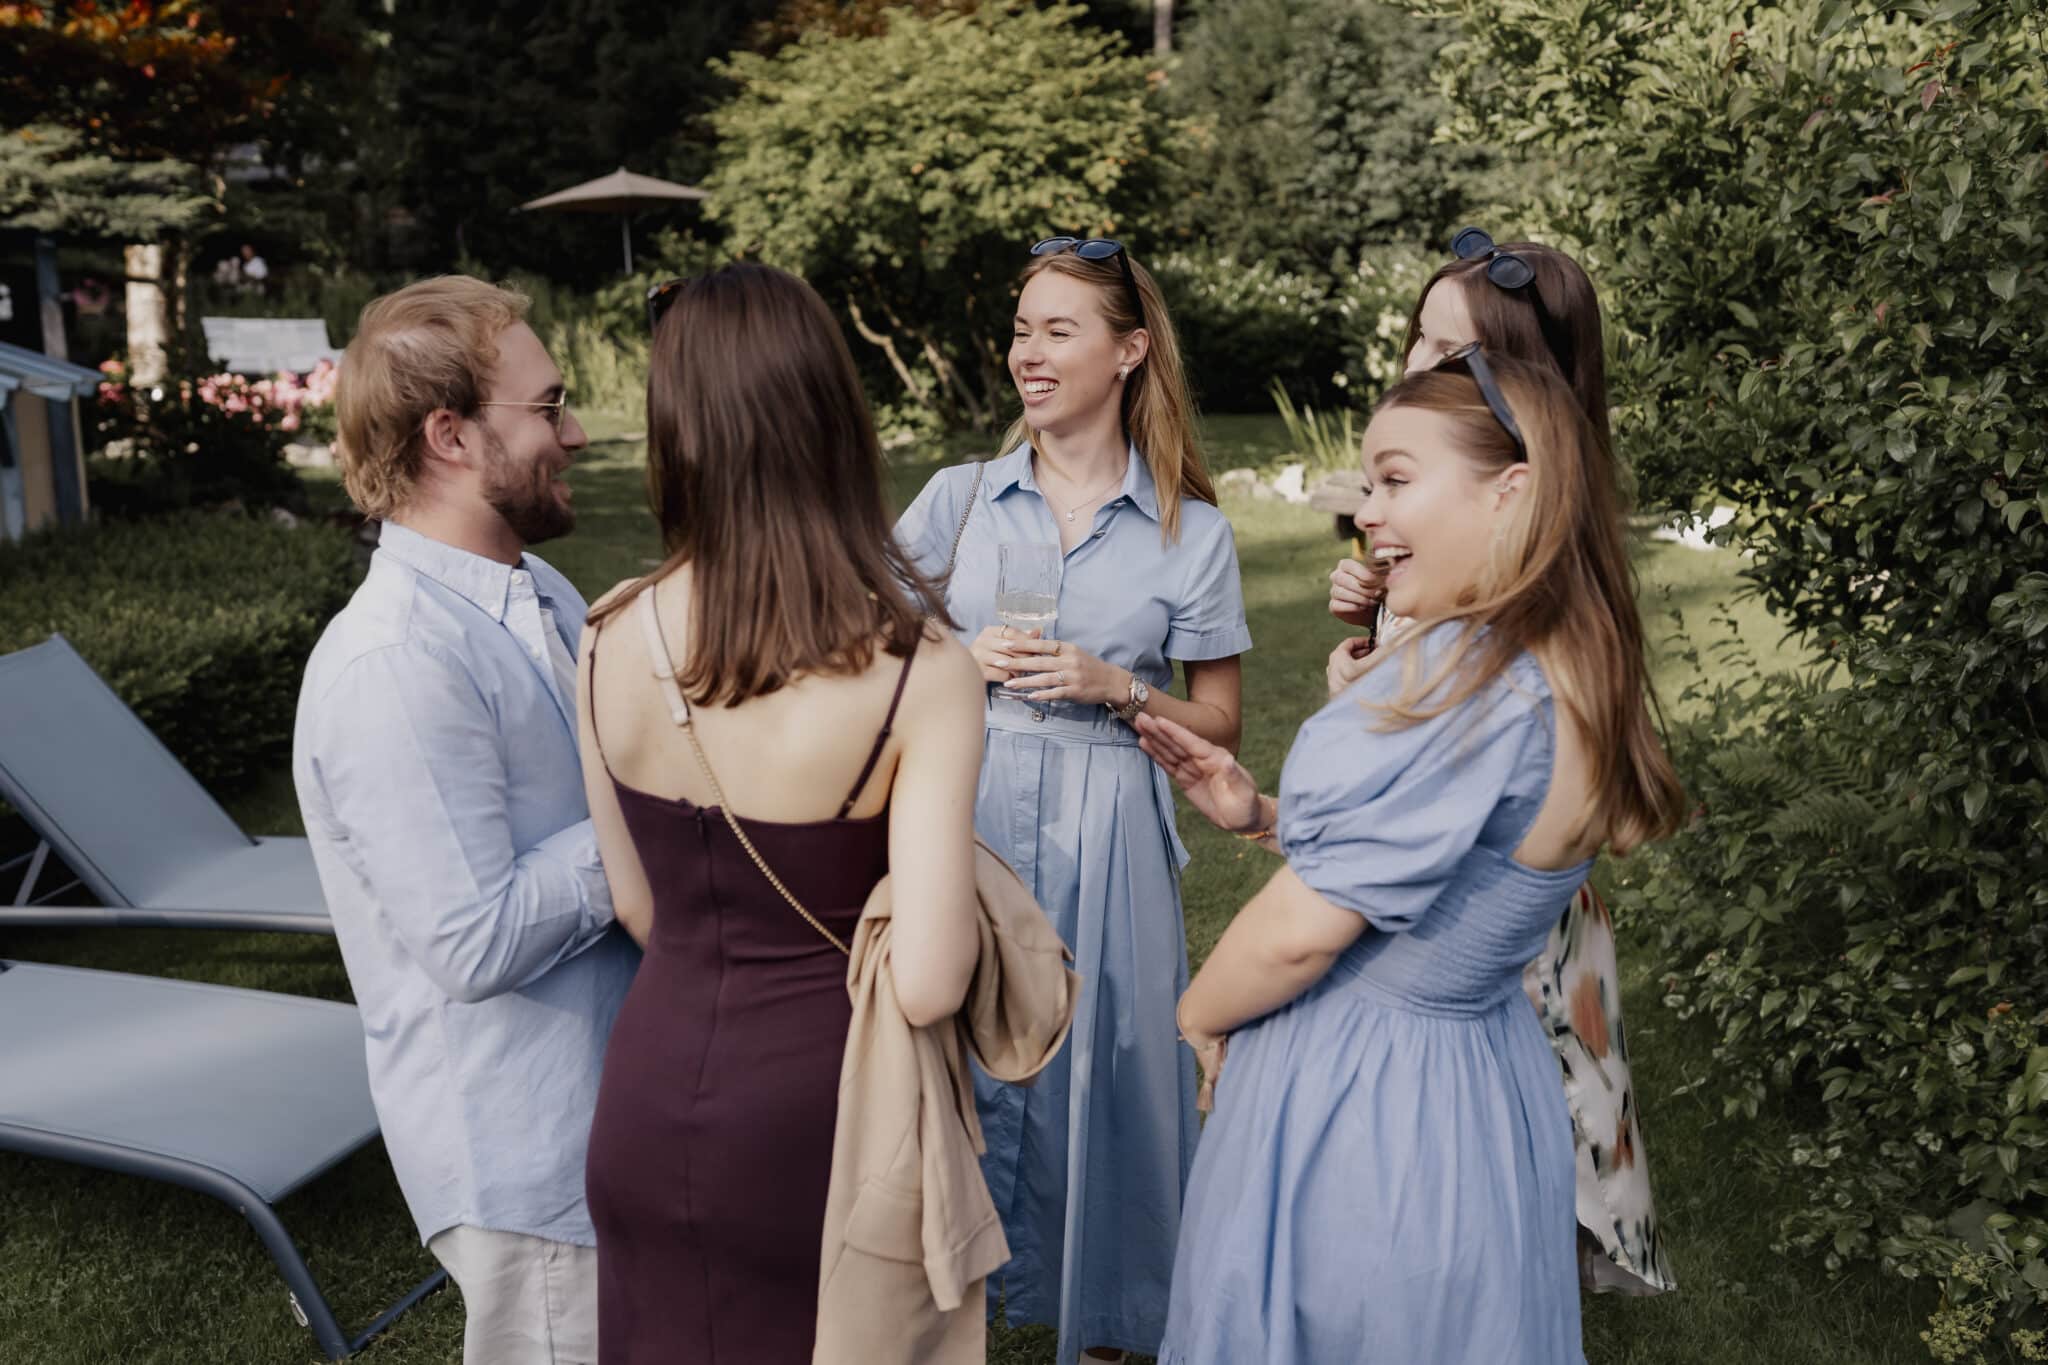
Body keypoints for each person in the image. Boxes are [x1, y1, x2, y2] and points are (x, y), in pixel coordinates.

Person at [1141, 349, 1689, 1363]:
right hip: (1478, 1079)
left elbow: (1300, 936)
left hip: (1366, 1097)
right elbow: (1461, 864)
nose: (1369, 513)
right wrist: (1262, 815)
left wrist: (1199, 1014)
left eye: (1396, 479)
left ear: (1509, 492)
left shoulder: (1464, 679)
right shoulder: (1563, 663)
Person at [578, 263, 986, 1364]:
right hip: (825, 1118)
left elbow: (638, 906)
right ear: (829, 419)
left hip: (647, 1092)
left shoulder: (607, 637)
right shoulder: (921, 672)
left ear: (677, 430)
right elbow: (930, 980)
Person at [896, 236, 1251, 1364]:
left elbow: (1221, 725)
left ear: (1129, 352)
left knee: (1111, 1057)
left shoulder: (1191, 531)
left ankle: (1109, 1312)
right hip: (965, 798)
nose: (1027, 353)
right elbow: (861, 643)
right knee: (942, 1037)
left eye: (1058, 330)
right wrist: (952, 654)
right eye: (1020, 329)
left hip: (1109, 822)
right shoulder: (958, 499)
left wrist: (1117, 686)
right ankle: (929, 1297)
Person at [293, 275, 637, 1365]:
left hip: (610, 1110)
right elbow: (472, 940)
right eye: (548, 408)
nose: (575, 434)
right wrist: (649, 813)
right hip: (528, 1156)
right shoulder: (396, 663)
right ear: (449, 435)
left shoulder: (540, 588)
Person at [1326, 230, 1675, 1295]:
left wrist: (1368, 693)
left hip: (1489, 880)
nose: (1417, 364)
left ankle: (1498, 1274)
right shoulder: (1459, 507)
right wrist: (1370, 628)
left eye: (1450, 351)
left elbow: (1473, 727)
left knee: (1509, 1091)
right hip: (1445, 854)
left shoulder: (1531, 555)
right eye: (1418, 339)